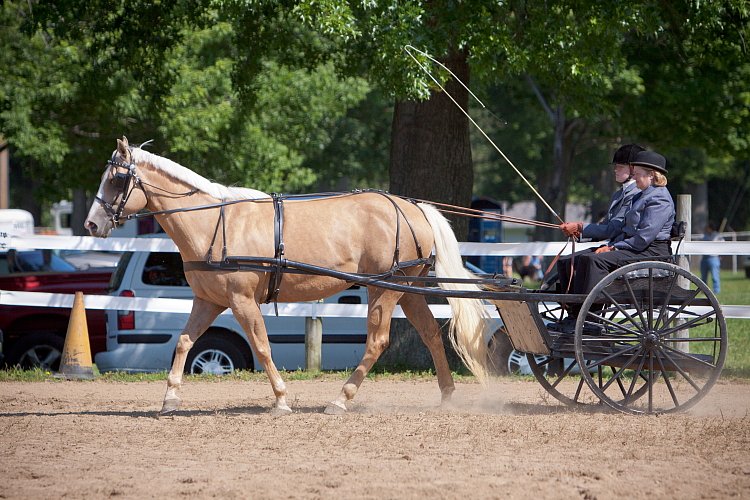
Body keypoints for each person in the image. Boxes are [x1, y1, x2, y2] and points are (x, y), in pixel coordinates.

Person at [551, 150, 675, 332]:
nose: (635, 178)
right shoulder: (642, 195)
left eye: (638, 174)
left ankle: (589, 318)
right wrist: (609, 245)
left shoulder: (660, 199)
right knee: (576, 260)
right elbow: (622, 228)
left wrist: (614, 247)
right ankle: (573, 314)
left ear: (651, 175)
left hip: (650, 251)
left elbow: (643, 237)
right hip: (635, 247)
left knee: (594, 261)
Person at [556, 143, 644, 291]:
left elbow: (614, 228)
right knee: (565, 262)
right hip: (612, 245)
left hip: (624, 249)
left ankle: (584, 309)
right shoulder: (619, 194)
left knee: (586, 261)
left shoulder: (635, 194)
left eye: (620, 166)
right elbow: (605, 224)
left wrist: (580, 227)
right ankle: (571, 307)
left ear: (632, 169)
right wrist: (580, 233)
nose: (615, 169)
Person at [700, 222, 723, 294]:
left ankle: (716, 291)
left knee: (715, 276)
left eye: (707, 227)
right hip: (705, 258)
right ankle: (704, 291)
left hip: (713, 258)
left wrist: (720, 254)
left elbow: (723, 245)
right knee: (703, 277)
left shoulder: (717, 236)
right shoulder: (705, 236)